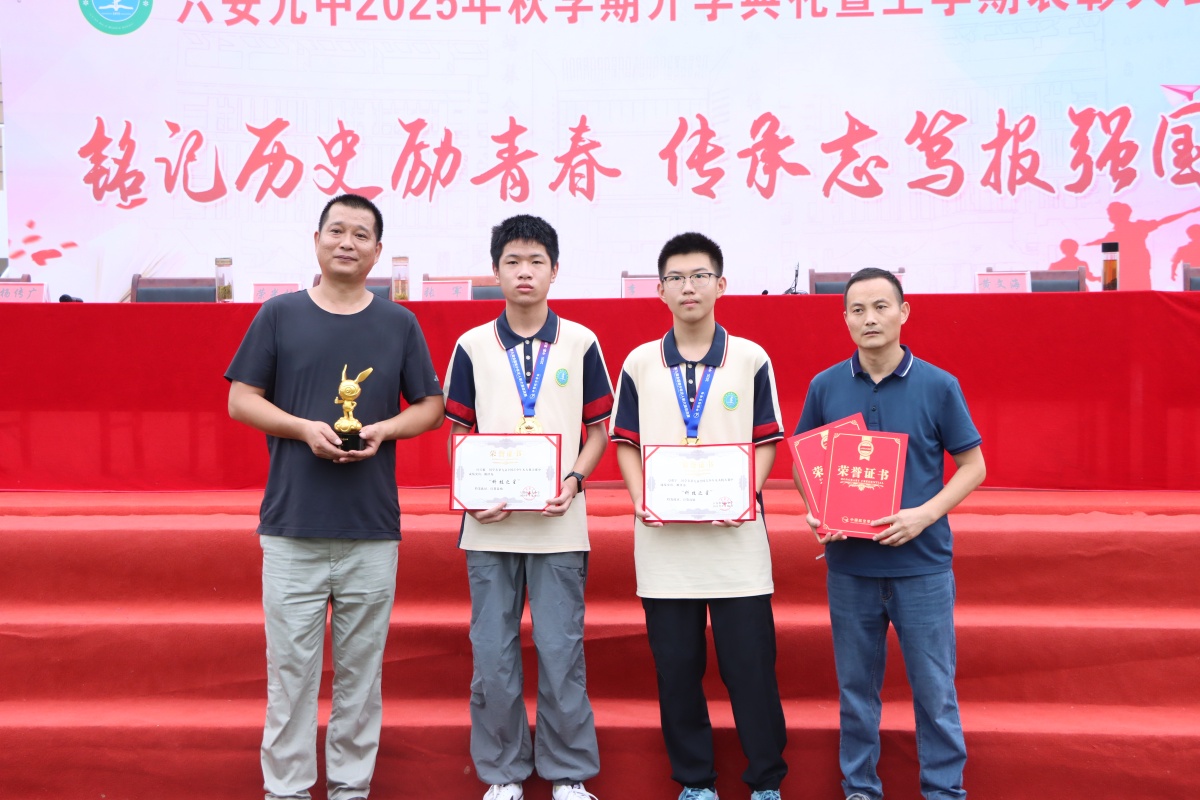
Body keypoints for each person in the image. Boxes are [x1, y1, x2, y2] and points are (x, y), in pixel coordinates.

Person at [226, 193, 445, 800]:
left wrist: (382, 430)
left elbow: (430, 406)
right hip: (292, 526)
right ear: (316, 240)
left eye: (361, 235)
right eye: (337, 231)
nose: (347, 242)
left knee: (361, 679)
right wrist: (302, 429)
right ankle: (287, 791)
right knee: (289, 676)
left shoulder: (398, 323)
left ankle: (351, 790)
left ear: (378, 251)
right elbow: (240, 400)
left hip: (370, 529)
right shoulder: (280, 315)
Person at [792, 267, 986, 800]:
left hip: (921, 566)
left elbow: (973, 466)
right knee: (856, 692)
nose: (870, 318)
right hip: (851, 569)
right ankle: (860, 788)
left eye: (881, 306)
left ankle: (944, 791)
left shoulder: (938, 385)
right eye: (857, 309)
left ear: (904, 312)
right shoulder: (825, 386)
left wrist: (924, 514)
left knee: (934, 692)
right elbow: (805, 463)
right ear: (845, 319)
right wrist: (818, 510)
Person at [610, 232, 788, 800]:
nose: (688, 287)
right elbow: (626, 442)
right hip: (664, 548)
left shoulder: (751, 357)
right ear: (660, 290)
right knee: (677, 671)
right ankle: (695, 782)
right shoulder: (639, 362)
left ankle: (766, 781)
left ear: (721, 284)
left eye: (700, 276)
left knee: (751, 669)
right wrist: (641, 499)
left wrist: (744, 495)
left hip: (737, 545)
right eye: (676, 278)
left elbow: (766, 439)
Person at [443, 215, 613, 800]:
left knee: (562, 653)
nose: (524, 272)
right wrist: (469, 492)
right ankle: (504, 774)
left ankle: (568, 773)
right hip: (489, 528)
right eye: (512, 261)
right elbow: (458, 433)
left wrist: (575, 479)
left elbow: (598, 430)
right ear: (495, 272)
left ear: (554, 271)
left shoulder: (581, 342)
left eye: (536, 261)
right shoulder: (471, 345)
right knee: (492, 655)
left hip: (558, 524)